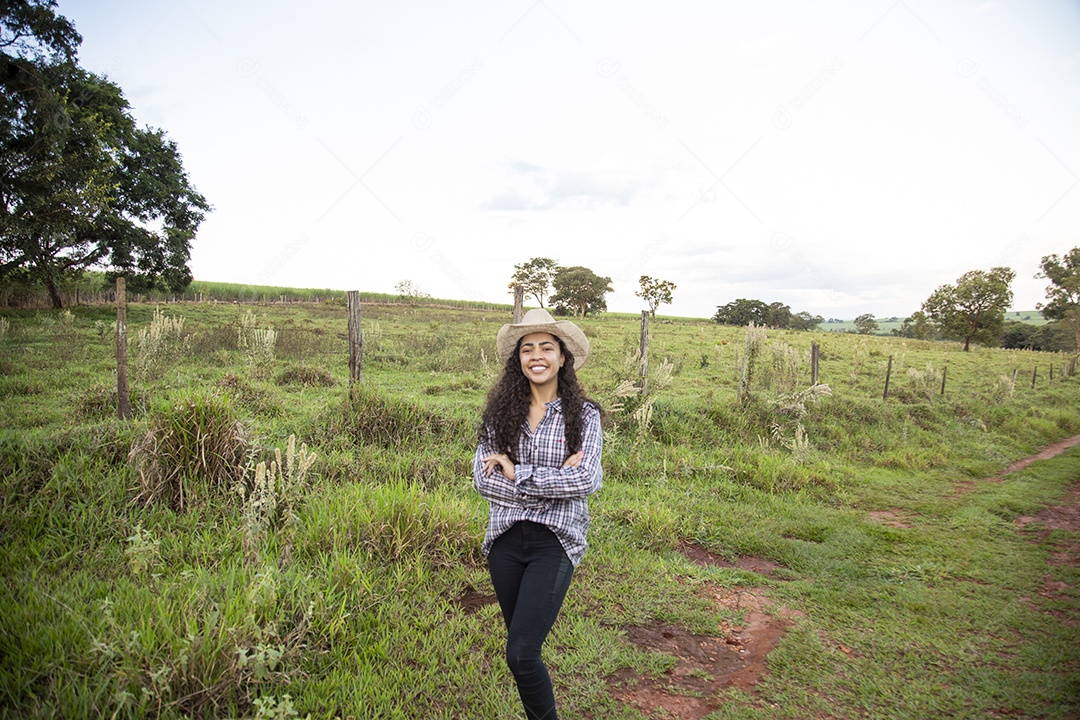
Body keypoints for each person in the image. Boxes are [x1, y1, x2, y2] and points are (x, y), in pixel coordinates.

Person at [473, 308, 603, 720]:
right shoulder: (499, 415)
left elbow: (586, 479)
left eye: (547, 347)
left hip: (556, 542)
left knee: (522, 652)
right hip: (505, 542)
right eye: (527, 349)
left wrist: (518, 473)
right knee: (521, 652)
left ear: (563, 358)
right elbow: (484, 482)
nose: (537, 356)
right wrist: (553, 483)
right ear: (519, 360)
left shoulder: (584, 416)